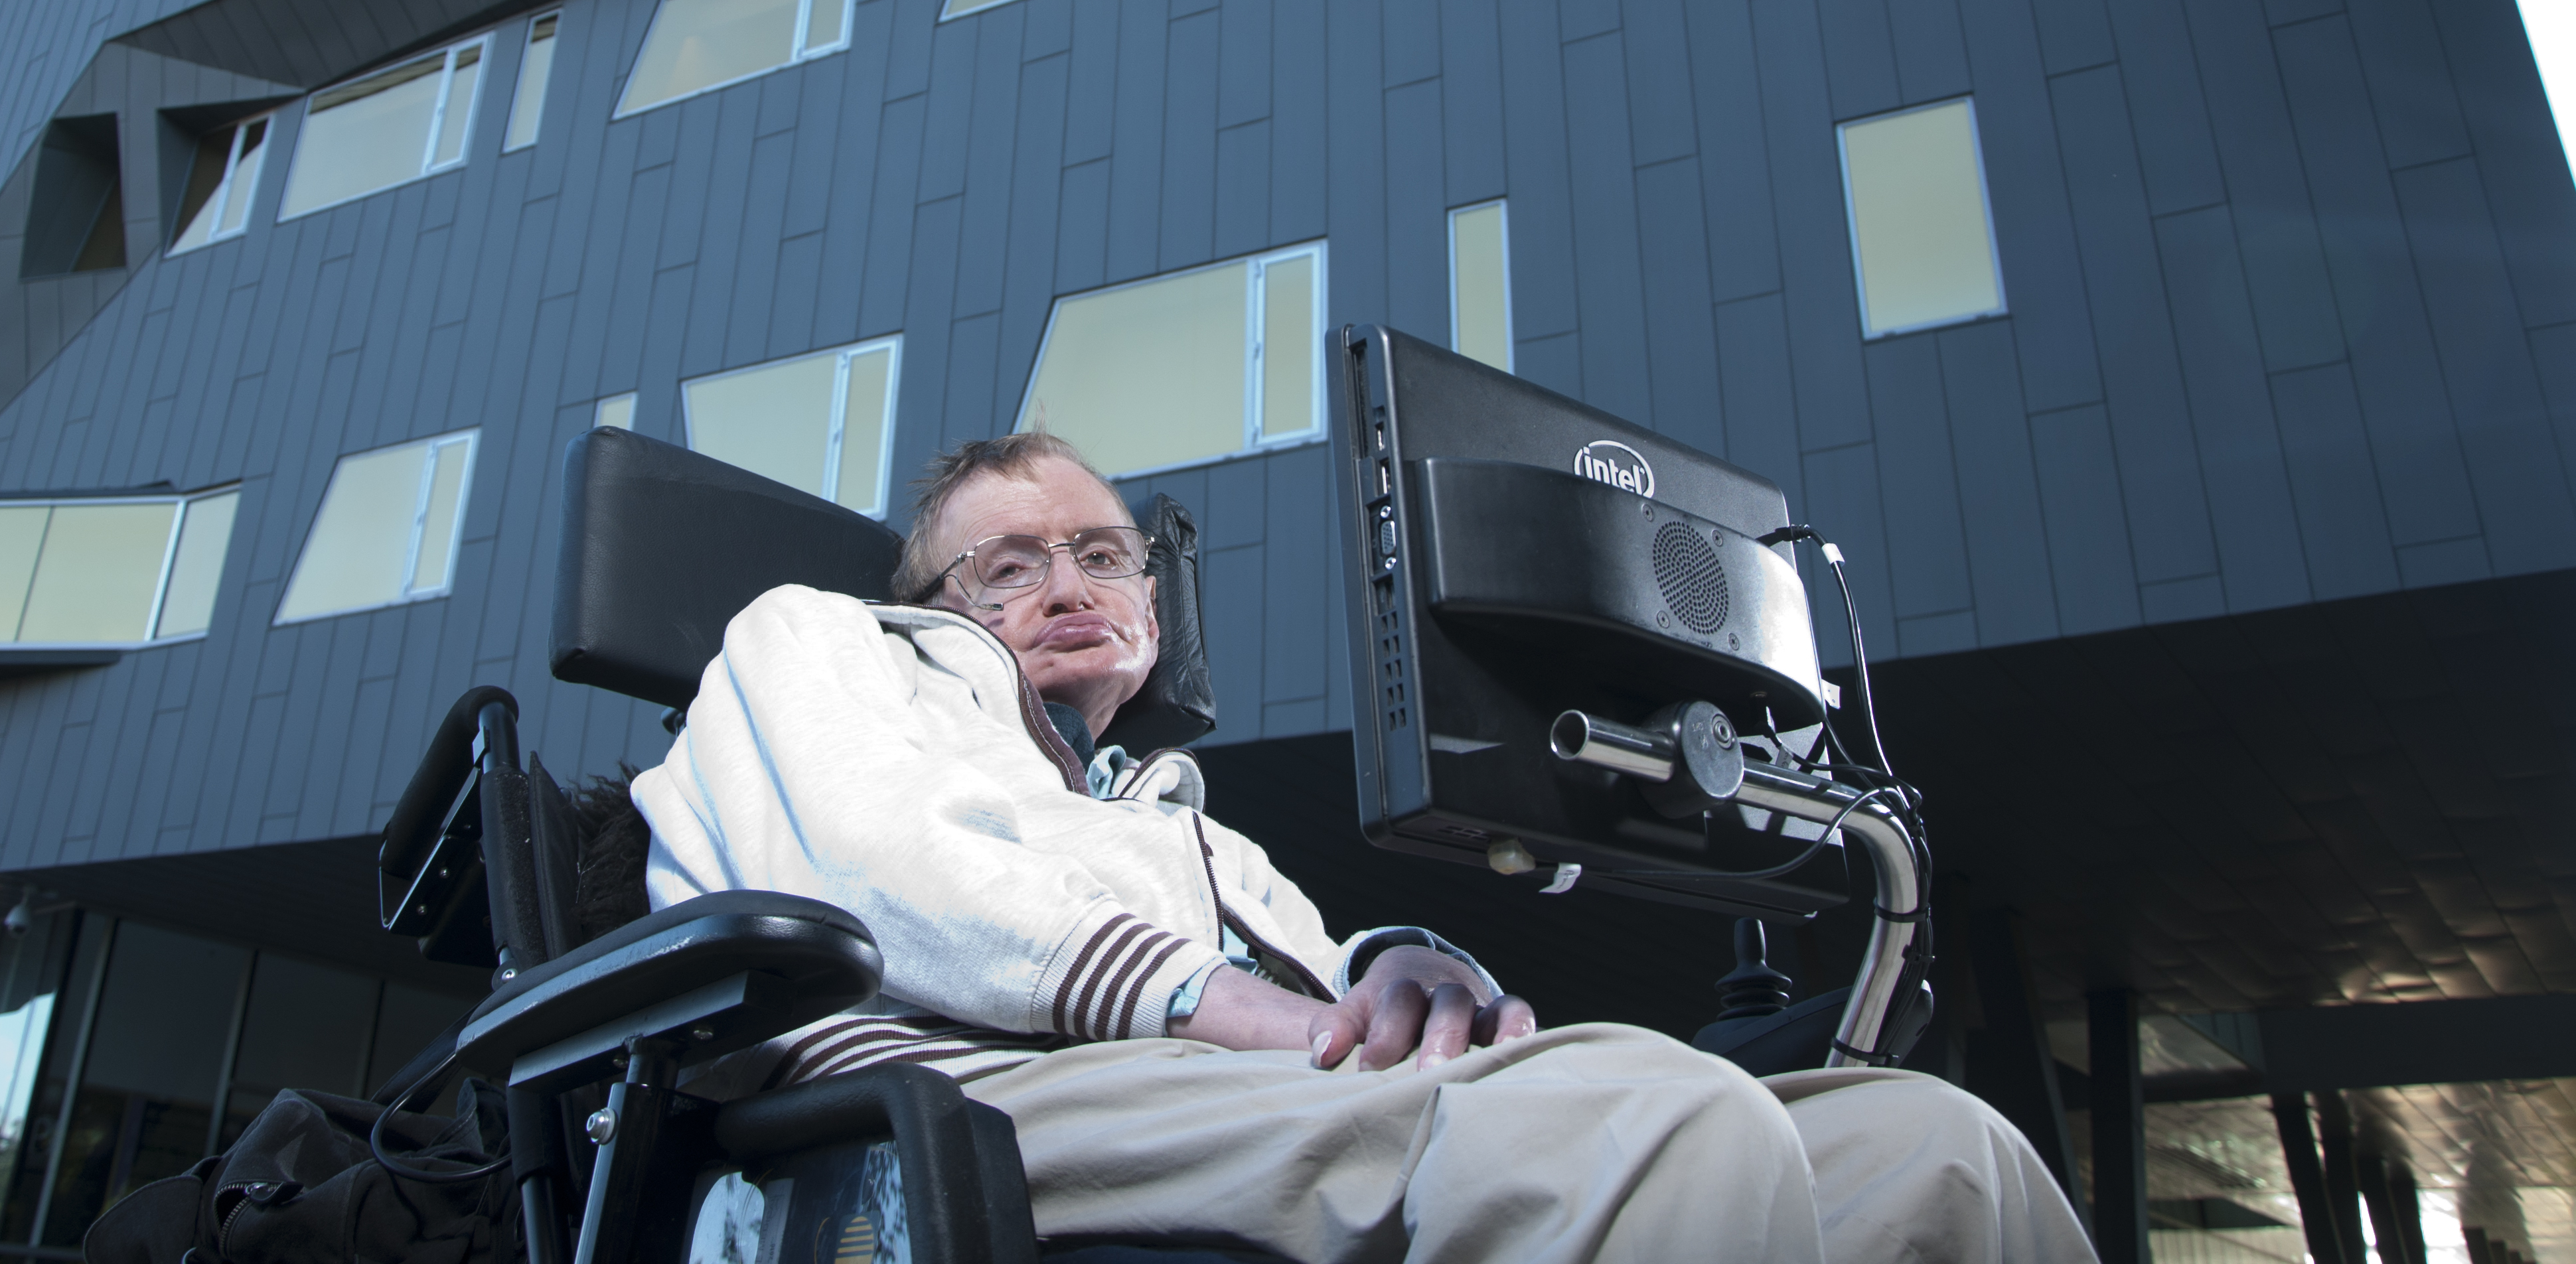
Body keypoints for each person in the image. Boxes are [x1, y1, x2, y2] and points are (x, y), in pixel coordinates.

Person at [629, 432, 2093, 1263]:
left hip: (1214, 1088)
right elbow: (899, 871)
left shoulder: (1175, 822)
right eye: (1008, 562)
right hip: (955, 1092)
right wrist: (1270, 1015)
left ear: (1150, 600)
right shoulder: (820, 642)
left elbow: (1321, 970)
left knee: (1933, 1146)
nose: (1067, 580)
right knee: (1653, 1117)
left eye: (1101, 551)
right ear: (933, 598)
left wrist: (1399, 965)